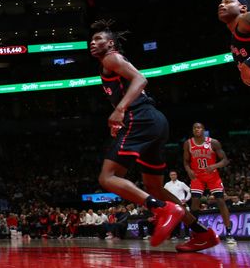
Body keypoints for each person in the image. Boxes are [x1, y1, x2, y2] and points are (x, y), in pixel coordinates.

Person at [88, 20, 219, 253]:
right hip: (155, 121)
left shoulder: (112, 58)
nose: (93, 42)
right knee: (155, 186)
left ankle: (160, 209)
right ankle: (202, 233)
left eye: (98, 39)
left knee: (107, 177)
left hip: (141, 118)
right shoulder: (109, 64)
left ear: (110, 43)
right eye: (91, 39)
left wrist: (120, 110)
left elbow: (141, 79)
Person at [184, 122, 235, 244]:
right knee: (195, 203)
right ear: (193, 130)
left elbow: (225, 160)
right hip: (197, 177)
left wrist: (215, 166)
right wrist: (189, 170)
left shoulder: (213, 142)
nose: (197, 129)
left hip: (213, 176)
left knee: (221, 201)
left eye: (199, 127)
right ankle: (195, 233)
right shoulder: (188, 144)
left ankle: (229, 233)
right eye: (195, 128)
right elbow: (185, 162)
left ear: (203, 130)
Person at [217, 0, 250, 86]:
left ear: (243, 8)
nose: (221, 5)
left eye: (228, 2)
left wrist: (248, 64)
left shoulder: (248, 18)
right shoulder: (234, 41)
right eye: (221, 3)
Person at [164, 171, 191, 239]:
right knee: (174, 220)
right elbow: (163, 193)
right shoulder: (167, 184)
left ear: (176, 175)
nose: (173, 176)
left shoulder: (181, 183)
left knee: (185, 219)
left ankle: (187, 235)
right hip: (172, 204)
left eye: (174, 174)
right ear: (170, 176)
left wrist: (186, 199)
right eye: (171, 175)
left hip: (181, 203)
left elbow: (189, 191)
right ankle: (175, 235)